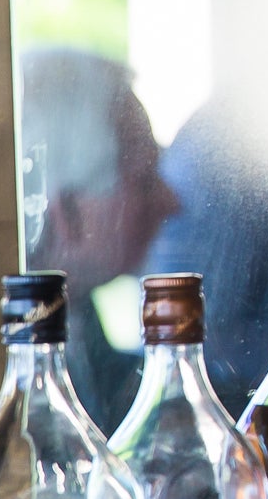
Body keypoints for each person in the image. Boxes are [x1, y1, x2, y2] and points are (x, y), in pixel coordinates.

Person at [17, 47, 180, 428]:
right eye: (143, 180)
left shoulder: (70, 314)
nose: (170, 203)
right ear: (65, 209)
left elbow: (119, 394)